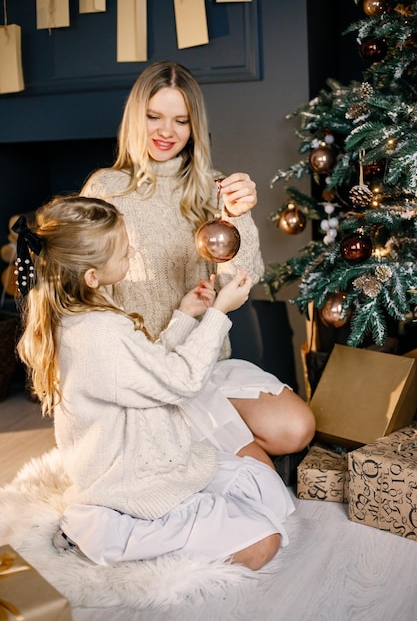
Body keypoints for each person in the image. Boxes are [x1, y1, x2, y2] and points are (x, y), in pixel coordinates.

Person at [15, 195, 295, 570]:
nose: (131, 248)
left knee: (269, 493)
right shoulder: (96, 332)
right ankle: (99, 530)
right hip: (133, 485)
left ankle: (130, 521)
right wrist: (217, 313)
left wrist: (183, 316)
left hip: (164, 460)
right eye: (121, 249)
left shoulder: (90, 314)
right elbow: (181, 381)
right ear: (92, 275)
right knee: (263, 543)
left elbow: (147, 373)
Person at [81, 61, 315, 466]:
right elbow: (89, 297)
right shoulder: (106, 189)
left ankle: (199, 441)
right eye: (154, 116)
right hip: (148, 372)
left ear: (194, 126)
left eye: (180, 120)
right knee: (259, 474)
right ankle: (189, 445)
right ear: (136, 117)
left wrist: (239, 214)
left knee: (297, 428)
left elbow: (241, 285)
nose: (166, 132)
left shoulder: (213, 186)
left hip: (204, 362)